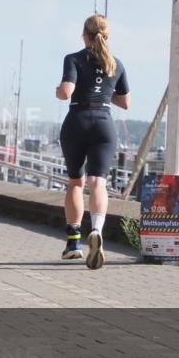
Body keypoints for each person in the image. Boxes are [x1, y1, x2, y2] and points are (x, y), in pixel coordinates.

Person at [55, 14, 130, 270]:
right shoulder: (116, 64)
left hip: (77, 121)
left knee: (75, 183)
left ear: (84, 34)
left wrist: (58, 89)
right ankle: (96, 230)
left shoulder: (73, 59)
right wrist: (105, 90)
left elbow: (66, 92)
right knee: (98, 182)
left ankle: (73, 243)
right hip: (104, 125)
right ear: (107, 36)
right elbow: (125, 102)